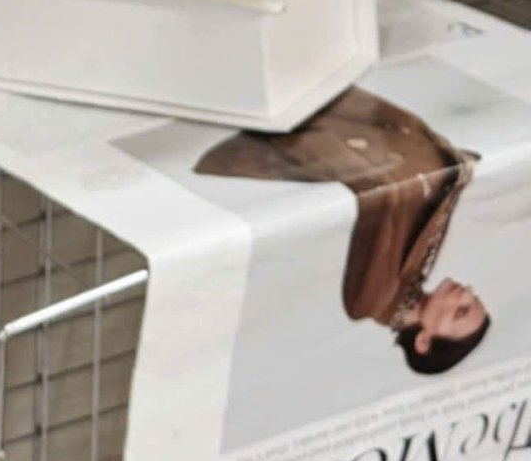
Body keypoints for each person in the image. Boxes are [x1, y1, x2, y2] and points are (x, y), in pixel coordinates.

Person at [195, 86, 491, 375]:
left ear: (423, 341)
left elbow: (383, 200)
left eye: (461, 311)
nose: (466, 292)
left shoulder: (372, 302)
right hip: (327, 120)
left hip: (296, 134)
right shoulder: (409, 287)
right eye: (473, 298)